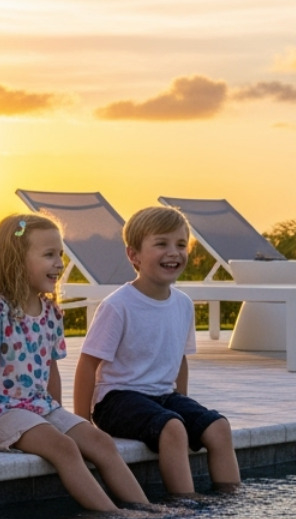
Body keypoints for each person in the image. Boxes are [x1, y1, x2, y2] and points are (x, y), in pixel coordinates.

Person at [0, 214, 148, 512]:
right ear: (16, 260)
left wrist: (59, 416)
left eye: (61, 255)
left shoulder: (50, 311)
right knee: (63, 448)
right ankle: (113, 516)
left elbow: (50, 368)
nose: (59, 263)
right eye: (49, 255)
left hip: (39, 407)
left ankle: (146, 510)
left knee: (101, 442)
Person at [73, 206, 241, 496]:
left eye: (180, 244)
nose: (173, 252)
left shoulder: (183, 304)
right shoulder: (118, 305)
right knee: (173, 427)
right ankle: (185, 507)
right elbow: (87, 365)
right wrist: (81, 424)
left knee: (219, 428)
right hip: (116, 399)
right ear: (133, 255)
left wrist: (184, 404)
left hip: (163, 397)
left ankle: (229, 503)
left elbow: (181, 360)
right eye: (161, 244)